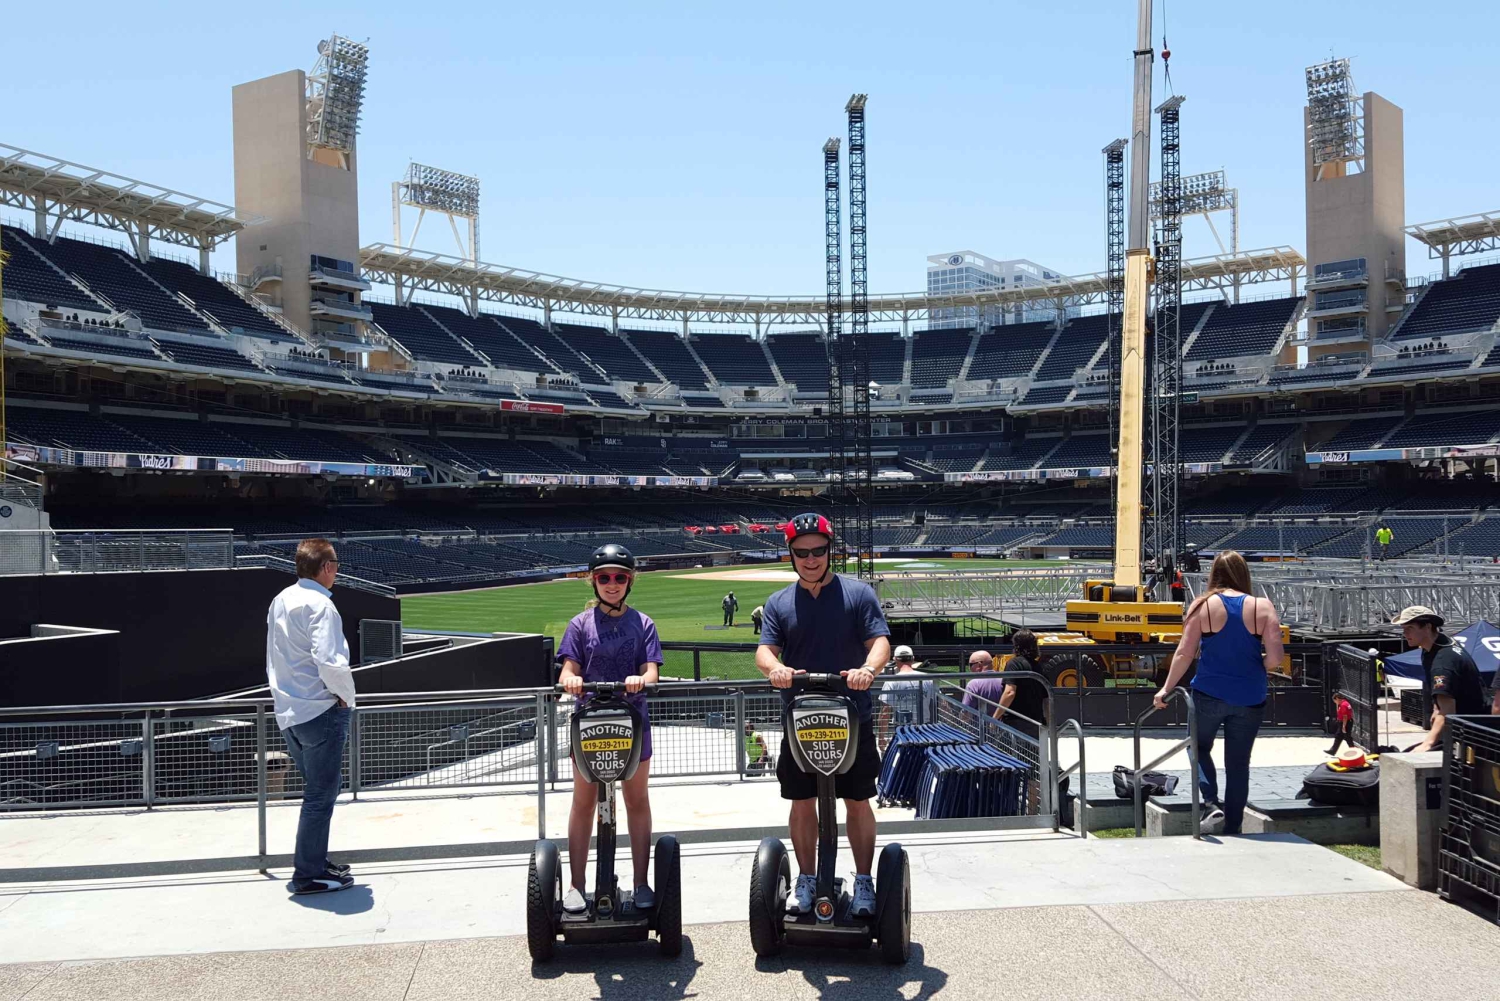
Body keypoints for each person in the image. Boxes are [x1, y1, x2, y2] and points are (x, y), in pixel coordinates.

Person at [757, 512, 891, 919]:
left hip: (852, 716)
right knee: (801, 802)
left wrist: (868, 669)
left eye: (818, 551)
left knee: (857, 800)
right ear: (791, 555)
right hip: (801, 721)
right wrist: (775, 669)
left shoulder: (858, 594)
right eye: (802, 553)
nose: (811, 559)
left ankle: (864, 880)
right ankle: (807, 877)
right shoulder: (779, 602)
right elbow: (764, 651)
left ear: (830, 551)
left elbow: (880, 642)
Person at [558, 544, 662, 913]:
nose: (612, 584)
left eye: (619, 577)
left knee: (637, 801)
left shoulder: (643, 623)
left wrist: (641, 679)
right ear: (594, 581)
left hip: (632, 723)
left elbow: (652, 671)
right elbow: (567, 669)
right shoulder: (579, 624)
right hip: (590, 724)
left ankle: (641, 882)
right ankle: (576, 884)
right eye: (604, 578)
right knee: (583, 802)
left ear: (630, 581)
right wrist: (571, 680)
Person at [1154, 551, 1283, 836]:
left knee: (1196, 747)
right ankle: (1234, 827)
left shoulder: (1202, 606)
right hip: (1250, 697)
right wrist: (1255, 666)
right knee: (1238, 764)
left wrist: (1165, 689)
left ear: (1214, 573)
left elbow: (1185, 653)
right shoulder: (1262, 606)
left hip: (1209, 694)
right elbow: (1275, 658)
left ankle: (1211, 803)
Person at [266, 538, 356, 895]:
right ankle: (308, 874)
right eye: (336, 565)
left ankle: (316, 862)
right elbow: (330, 661)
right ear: (327, 567)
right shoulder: (321, 605)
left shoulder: (281, 599)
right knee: (321, 795)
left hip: (290, 711)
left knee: (317, 792)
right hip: (320, 710)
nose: (337, 571)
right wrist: (346, 699)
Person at [1394, 606, 1487, 752]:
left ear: (1427, 627)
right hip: (1462, 724)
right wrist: (1436, 707)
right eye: (1403, 629)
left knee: (1409, 755)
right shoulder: (1438, 644)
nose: (1405, 633)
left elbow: (1448, 710)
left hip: (1472, 732)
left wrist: (1428, 743)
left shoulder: (1442, 662)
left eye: (1410, 628)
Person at [877, 645, 937, 748]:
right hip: (924, 728)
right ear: (913, 659)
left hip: (902, 729)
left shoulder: (891, 682)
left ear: (895, 659)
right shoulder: (928, 679)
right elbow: (942, 704)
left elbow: (885, 712)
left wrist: (881, 737)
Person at [998, 630, 1047, 740]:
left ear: (1016, 645)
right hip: (1036, 722)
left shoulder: (1013, 664)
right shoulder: (1039, 666)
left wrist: (995, 717)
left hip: (1015, 722)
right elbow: (1046, 699)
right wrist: (1048, 722)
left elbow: (1010, 692)